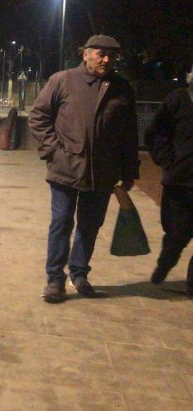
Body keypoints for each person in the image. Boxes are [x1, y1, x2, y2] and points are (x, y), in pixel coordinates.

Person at [28, 34, 139, 303]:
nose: (106, 59)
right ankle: (55, 279)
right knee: (62, 222)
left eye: (111, 54)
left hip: (103, 171)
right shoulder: (62, 80)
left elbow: (128, 134)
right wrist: (53, 151)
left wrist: (129, 170)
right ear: (86, 54)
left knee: (90, 225)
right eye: (100, 53)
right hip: (66, 168)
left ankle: (79, 274)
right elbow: (38, 116)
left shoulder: (122, 88)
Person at [144, 63, 193, 296]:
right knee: (177, 235)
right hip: (180, 183)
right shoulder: (178, 100)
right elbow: (155, 134)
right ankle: (164, 266)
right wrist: (168, 162)